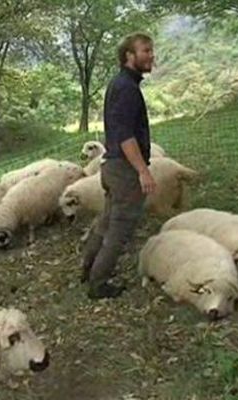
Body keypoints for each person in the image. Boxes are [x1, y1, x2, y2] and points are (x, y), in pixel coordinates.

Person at [80, 33, 157, 300]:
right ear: (129, 56)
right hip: (124, 169)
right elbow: (125, 135)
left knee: (106, 222)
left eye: (151, 50)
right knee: (119, 229)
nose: (151, 55)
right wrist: (143, 170)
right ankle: (98, 284)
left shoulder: (122, 84)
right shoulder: (126, 88)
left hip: (112, 166)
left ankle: (87, 270)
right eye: (145, 51)